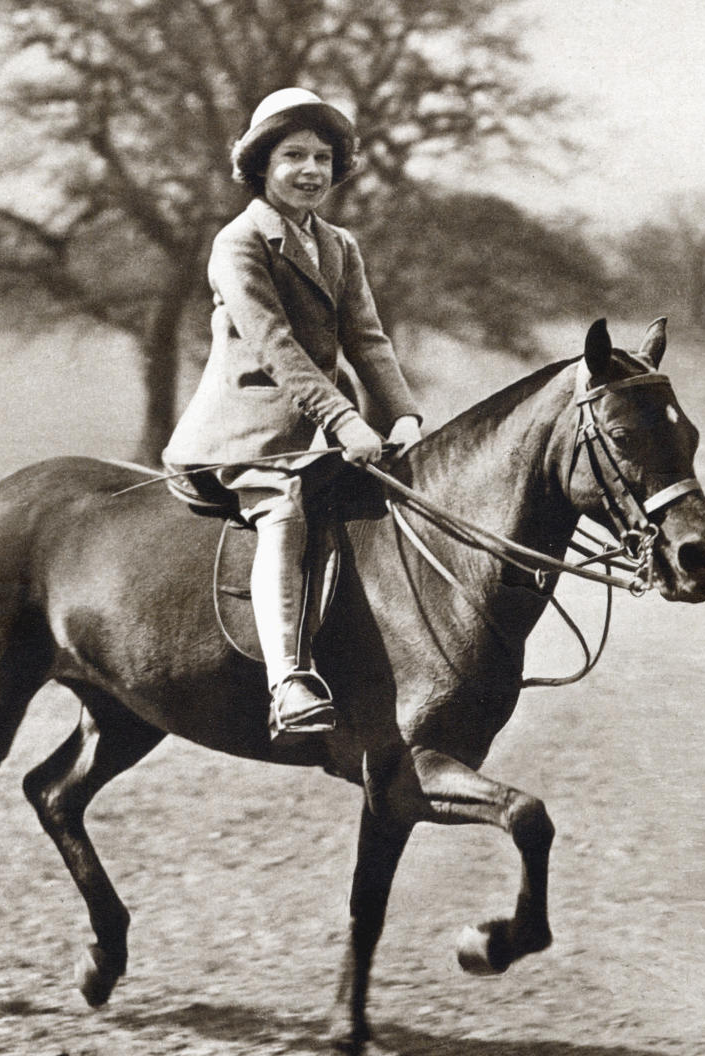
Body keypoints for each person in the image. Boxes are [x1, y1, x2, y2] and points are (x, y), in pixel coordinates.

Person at [163, 87, 422, 740]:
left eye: (323, 158)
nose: (310, 170)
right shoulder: (238, 242)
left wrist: (403, 416)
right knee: (282, 511)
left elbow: (367, 339)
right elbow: (276, 347)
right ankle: (288, 680)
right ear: (261, 166)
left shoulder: (339, 245)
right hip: (243, 435)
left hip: (324, 430)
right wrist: (345, 421)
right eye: (293, 155)